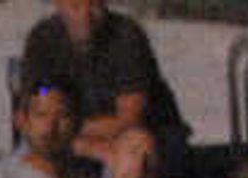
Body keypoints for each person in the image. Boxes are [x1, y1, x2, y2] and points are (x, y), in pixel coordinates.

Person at [12, 0, 173, 157]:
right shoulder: (43, 38)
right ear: (59, 4)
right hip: (62, 134)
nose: (85, 16)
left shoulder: (126, 37)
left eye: (94, 6)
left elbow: (130, 119)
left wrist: (69, 131)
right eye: (75, 7)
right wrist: (47, 92)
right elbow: (37, 94)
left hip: (123, 138)